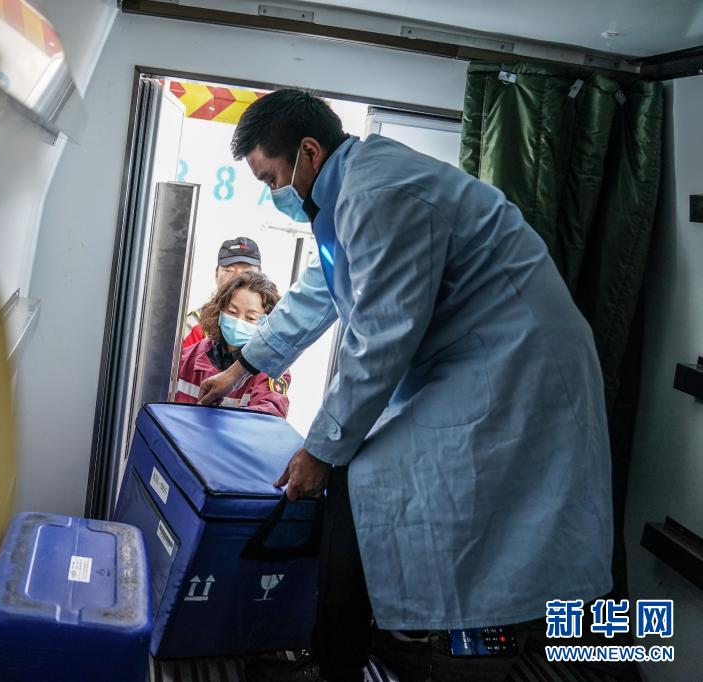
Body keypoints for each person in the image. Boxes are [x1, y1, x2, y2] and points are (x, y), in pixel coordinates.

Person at [198, 90, 613, 681]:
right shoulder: (348, 196)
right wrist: (241, 368)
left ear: (309, 152)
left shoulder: (378, 193)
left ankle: (350, 660)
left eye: (272, 178)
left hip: (514, 368)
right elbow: (319, 293)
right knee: (360, 478)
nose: (274, 193)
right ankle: (371, 645)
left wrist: (320, 450)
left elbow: (380, 339)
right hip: (475, 361)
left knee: (353, 476)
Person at [177, 271, 291, 418]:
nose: (239, 321)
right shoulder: (187, 358)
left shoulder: (271, 367)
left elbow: (270, 416)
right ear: (220, 311)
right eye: (232, 312)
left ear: (266, 323)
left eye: (250, 317)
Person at [183, 237, 262, 348]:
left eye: (247, 271)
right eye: (229, 270)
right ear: (216, 274)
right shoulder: (193, 326)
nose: (237, 277)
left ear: (260, 276)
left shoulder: (270, 327)